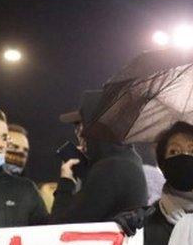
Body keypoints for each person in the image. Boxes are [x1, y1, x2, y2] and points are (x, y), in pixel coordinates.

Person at [52, 90, 149, 223]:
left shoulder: (111, 168)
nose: (78, 133)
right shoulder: (129, 159)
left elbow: (59, 226)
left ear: (95, 127)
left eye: (80, 124)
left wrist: (66, 182)